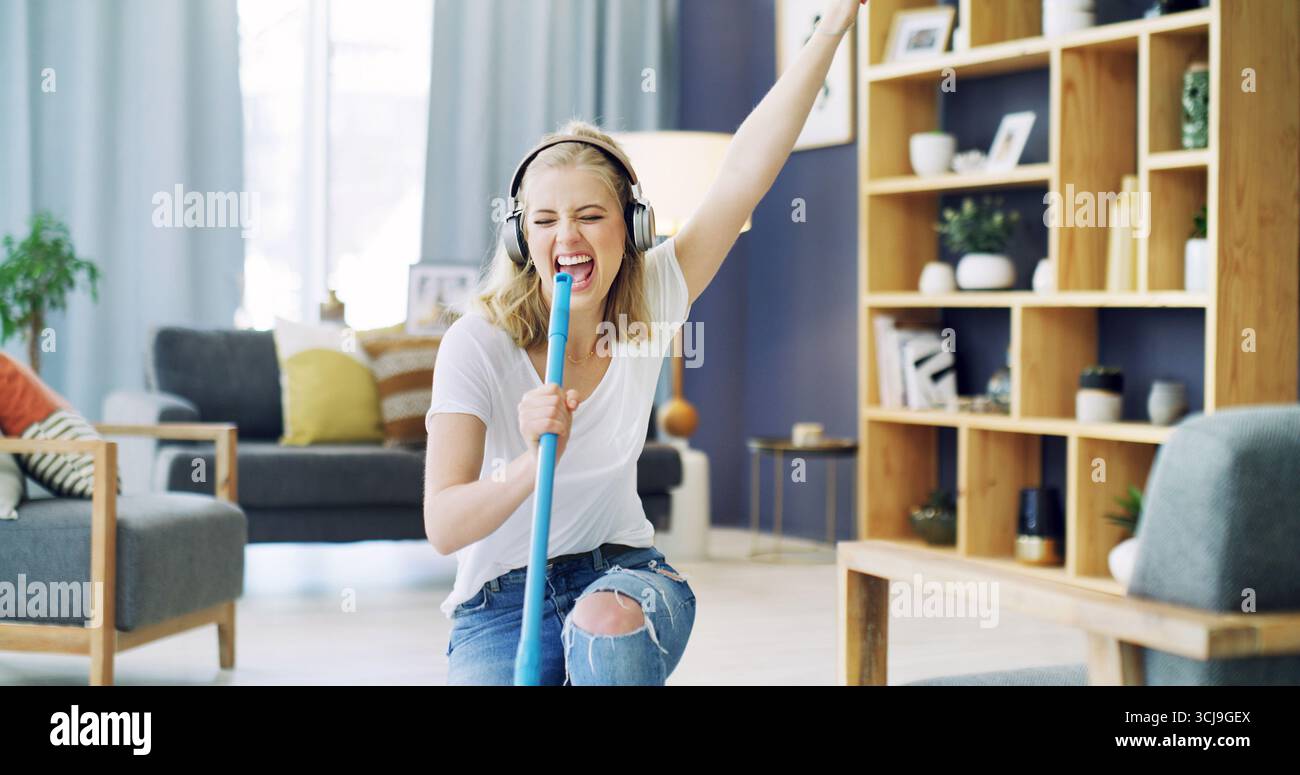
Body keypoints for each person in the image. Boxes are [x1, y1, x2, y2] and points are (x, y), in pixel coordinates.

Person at [424, 0, 869, 686]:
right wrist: (525, 465)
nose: (565, 237)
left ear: (629, 229)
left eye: (589, 215)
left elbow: (746, 170)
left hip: (620, 575)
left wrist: (833, 24)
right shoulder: (477, 342)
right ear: (520, 238)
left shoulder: (653, 295)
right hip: (500, 603)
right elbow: (444, 524)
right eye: (543, 220)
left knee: (605, 627)